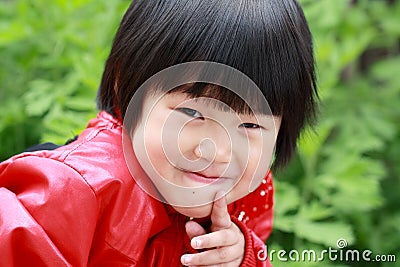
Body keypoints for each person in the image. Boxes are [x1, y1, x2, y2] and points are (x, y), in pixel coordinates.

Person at [0, 0, 317, 266]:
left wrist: (241, 257)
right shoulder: (80, 189)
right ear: (126, 83)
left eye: (249, 126)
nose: (217, 152)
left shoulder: (244, 192)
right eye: (192, 113)